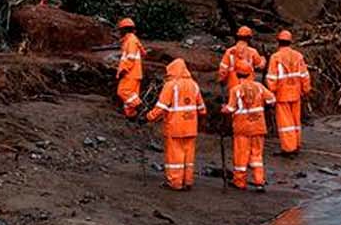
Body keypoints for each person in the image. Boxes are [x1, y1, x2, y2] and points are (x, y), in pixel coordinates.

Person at [146, 58, 207, 190]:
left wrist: (149, 116)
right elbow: (202, 108)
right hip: (191, 127)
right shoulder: (194, 85)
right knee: (188, 157)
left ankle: (175, 183)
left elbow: (161, 107)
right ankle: (187, 181)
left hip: (175, 127)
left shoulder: (171, 85)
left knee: (175, 157)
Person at [222, 59, 275, 190]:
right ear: (250, 72)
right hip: (258, 126)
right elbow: (272, 99)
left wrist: (223, 109)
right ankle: (259, 181)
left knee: (241, 155)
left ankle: (240, 182)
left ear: (236, 74)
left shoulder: (236, 90)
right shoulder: (259, 87)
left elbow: (230, 109)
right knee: (257, 155)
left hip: (242, 128)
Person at [265, 29, 312, 154]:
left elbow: (272, 78)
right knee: (296, 121)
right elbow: (304, 75)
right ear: (290, 42)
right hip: (296, 93)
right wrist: (306, 89)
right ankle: (296, 144)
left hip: (282, 94)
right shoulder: (298, 56)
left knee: (286, 124)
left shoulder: (275, 57)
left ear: (278, 42)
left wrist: (272, 92)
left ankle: (288, 148)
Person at [216, 26, 265, 91]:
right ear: (249, 38)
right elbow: (260, 66)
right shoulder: (253, 52)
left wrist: (221, 80)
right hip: (248, 86)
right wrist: (263, 59)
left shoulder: (229, 51)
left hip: (233, 84)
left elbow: (223, 70)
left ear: (238, 36)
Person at [114, 17, 144, 116]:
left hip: (130, 73)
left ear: (125, 29)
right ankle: (132, 115)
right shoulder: (131, 40)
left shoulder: (131, 41)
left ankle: (140, 107)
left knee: (123, 92)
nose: (119, 32)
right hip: (134, 73)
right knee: (132, 95)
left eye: (121, 30)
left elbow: (130, 58)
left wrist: (123, 70)